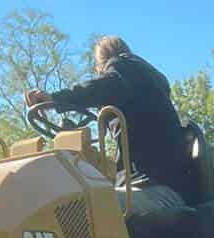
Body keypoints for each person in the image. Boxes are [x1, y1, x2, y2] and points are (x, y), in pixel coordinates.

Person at [24, 37, 188, 216]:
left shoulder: (125, 67)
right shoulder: (141, 85)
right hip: (148, 188)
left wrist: (56, 99)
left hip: (159, 193)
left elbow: (104, 86)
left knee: (78, 205)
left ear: (100, 66)